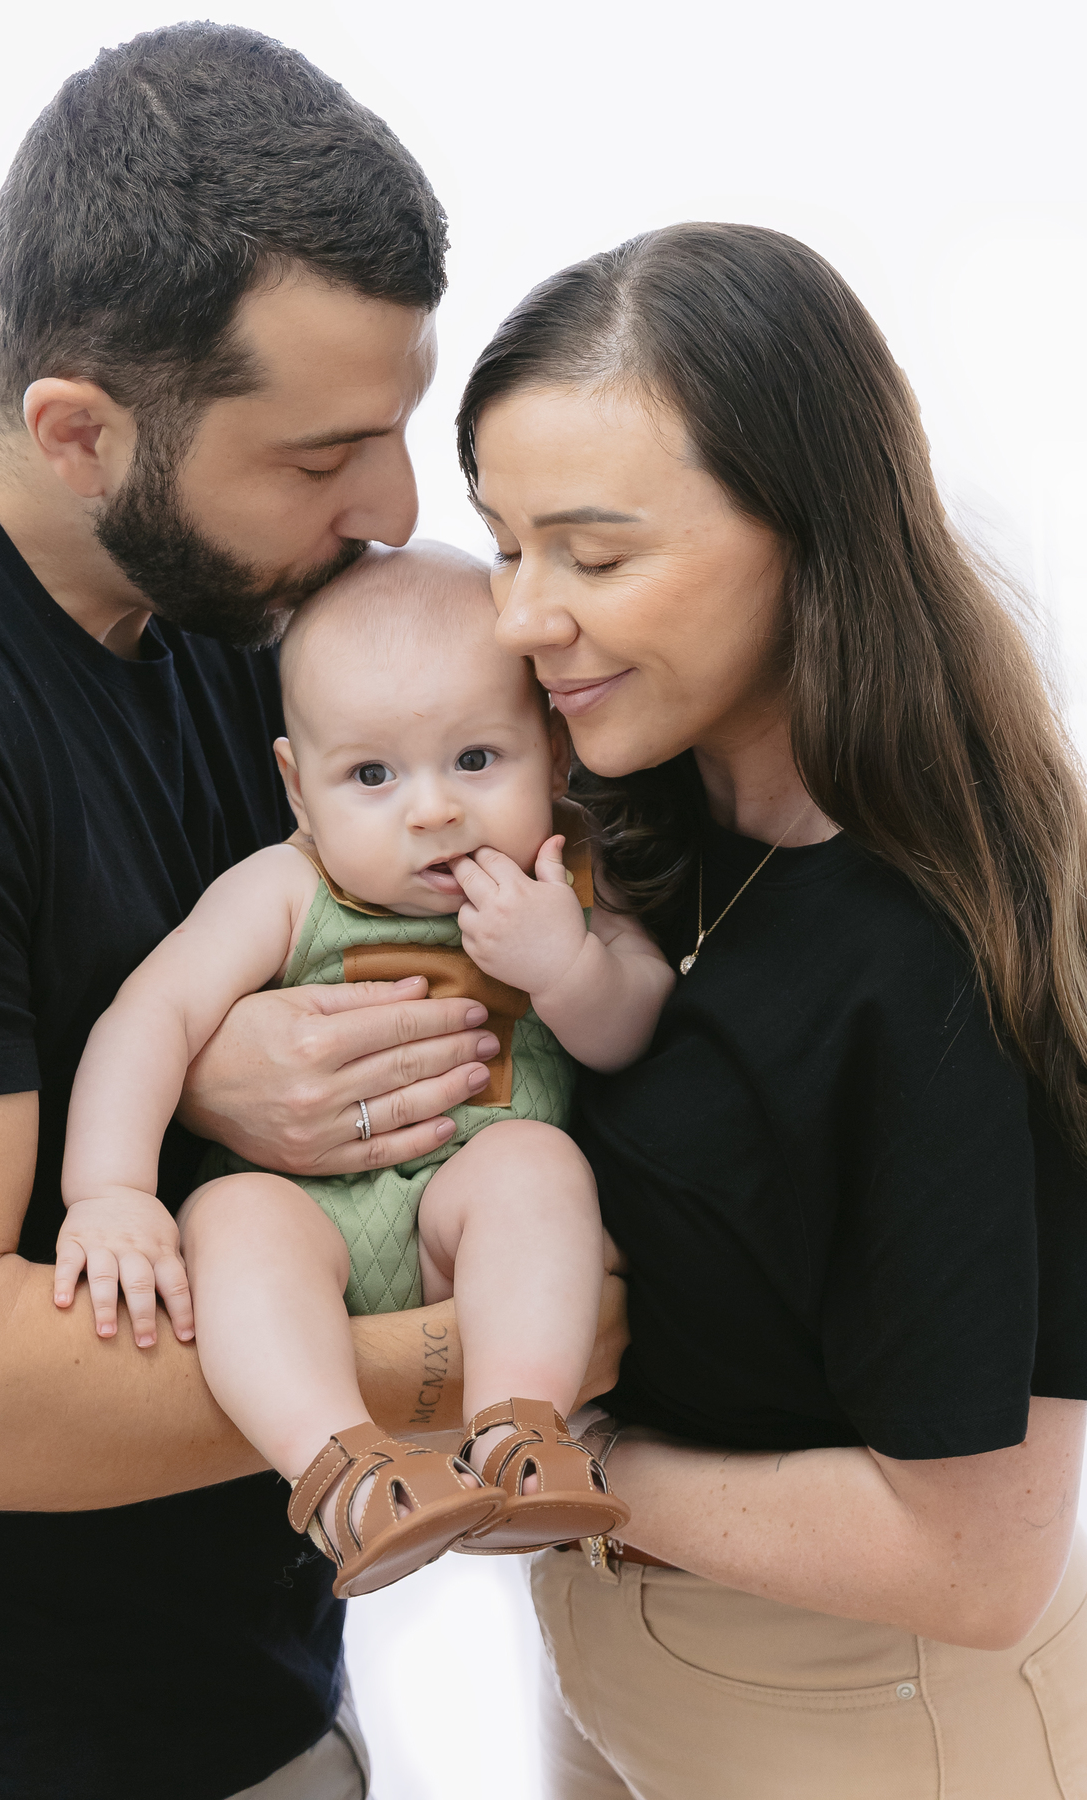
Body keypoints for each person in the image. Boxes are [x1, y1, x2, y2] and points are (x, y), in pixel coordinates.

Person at [0, 26, 624, 1800]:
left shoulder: (223, 600)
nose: (389, 514)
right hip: (10, 1745)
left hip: (246, 1670)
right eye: (323, 456)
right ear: (79, 429)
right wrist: (508, 1365)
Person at [455, 221, 1087, 1798]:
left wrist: (566, 1461)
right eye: (502, 542)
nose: (525, 616)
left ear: (808, 532)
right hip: (639, 1668)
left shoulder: (933, 955)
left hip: (864, 1719)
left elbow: (975, 1562)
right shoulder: (654, 824)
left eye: (594, 558)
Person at [57, 542, 667, 1594]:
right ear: (299, 787)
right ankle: (341, 1471)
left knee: (534, 1166)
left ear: (554, 756)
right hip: (308, 1233)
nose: (430, 810)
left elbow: (633, 1026)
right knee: (236, 1219)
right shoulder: (284, 889)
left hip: (460, 1234)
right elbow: (149, 1015)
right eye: (372, 775)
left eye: (477, 760)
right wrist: (108, 1191)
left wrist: (565, 963)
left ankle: (519, 1433)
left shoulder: (563, 879)